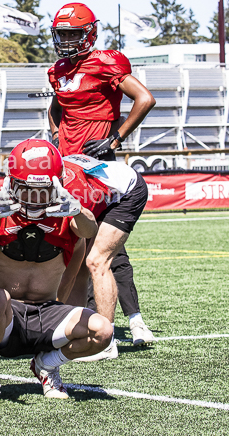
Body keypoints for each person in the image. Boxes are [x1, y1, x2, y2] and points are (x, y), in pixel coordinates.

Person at [47, 2, 156, 350]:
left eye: (72, 33)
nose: (65, 40)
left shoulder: (106, 61)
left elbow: (144, 98)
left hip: (95, 169)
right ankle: (71, 323)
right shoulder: (58, 69)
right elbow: (57, 105)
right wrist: (53, 134)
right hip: (68, 167)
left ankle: (108, 332)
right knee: (79, 255)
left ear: (89, 33)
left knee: (96, 256)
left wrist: (115, 138)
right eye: (61, 33)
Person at [0, 139, 111, 404]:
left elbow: (90, 231)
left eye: (42, 190)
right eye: (26, 189)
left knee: (103, 331)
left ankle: (46, 364)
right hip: (8, 318)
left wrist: (78, 210)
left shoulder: (66, 210)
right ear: (11, 183)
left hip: (48, 313)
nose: (35, 198)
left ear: (57, 185)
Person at [59, 153, 152, 361]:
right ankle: (76, 330)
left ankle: (106, 343)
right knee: (80, 264)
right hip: (102, 193)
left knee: (96, 261)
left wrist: (52, 307)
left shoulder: (74, 189)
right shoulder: (57, 176)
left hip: (127, 192)